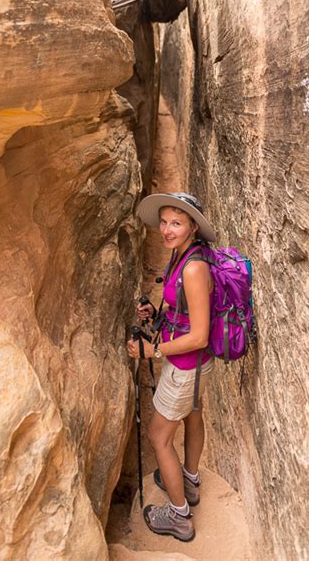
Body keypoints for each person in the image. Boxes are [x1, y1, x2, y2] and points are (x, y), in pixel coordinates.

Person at [126, 192, 217, 542]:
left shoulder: (194, 268)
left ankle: (179, 516)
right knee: (193, 416)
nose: (166, 230)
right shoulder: (182, 255)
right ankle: (190, 482)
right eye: (163, 222)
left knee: (159, 436)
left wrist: (154, 350)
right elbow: (178, 302)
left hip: (185, 367)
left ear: (193, 226)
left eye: (176, 223)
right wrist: (156, 311)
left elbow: (199, 336)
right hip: (194, 369)